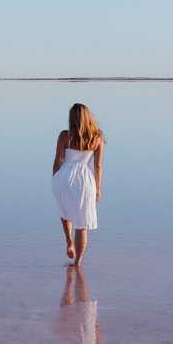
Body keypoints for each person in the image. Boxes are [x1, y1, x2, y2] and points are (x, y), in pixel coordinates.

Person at [51, 103, 104, 266]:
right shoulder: (97, 137)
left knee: (64, 209)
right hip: (85, 180)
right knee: (82, 223)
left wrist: (54, 179)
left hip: (65, 177)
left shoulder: (65, 135)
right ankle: (78, 262)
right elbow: (98, 165)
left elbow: (58, 160)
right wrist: (98, 188)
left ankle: (68, 240)